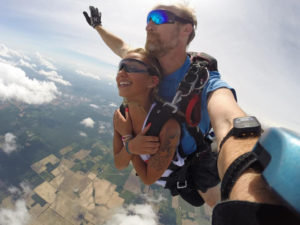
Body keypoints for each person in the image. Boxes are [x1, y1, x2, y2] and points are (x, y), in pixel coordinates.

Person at [84, 4, 222, 208]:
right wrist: (98, 27)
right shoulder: (124, 112)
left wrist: (130, 144)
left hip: (194, 160)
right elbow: (121, 47)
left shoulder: (196, 78)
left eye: (158, 18)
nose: (149, 25)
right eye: (148, 18)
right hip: (166, 165)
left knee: (219, 203)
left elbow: (224, 107)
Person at [113, 48, 185, 193]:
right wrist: (131, 145)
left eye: (132, 67)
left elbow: (148, 179)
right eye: (121, 67)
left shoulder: (168, 126)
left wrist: (129, 144)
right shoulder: (121, 115)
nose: (121, 73)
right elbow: (119, 164)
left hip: (174, 179)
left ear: (152, 81)